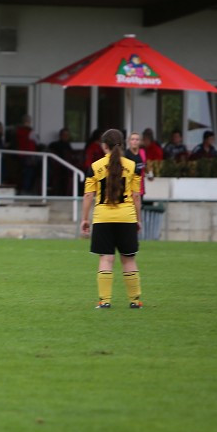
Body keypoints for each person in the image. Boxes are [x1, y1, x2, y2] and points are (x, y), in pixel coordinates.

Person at [80, 128, 143, 310]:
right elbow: (136, 196)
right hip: (126, 217)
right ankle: (135, 301)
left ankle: (104, 301)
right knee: (128, 259)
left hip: (103, 218)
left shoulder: (94, 167)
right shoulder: (132, 166)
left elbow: (88, 196)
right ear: (122, 144)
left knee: (106, 259)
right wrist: (138, 219)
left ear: (103, 146)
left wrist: (84, 219)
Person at [125, 130, 148, 199]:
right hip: (129, 189)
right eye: (132, 139)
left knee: (139, 208)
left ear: (140, 142)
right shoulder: (125, 154)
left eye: (137, 139)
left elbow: (145, 165)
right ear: (129, 141)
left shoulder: (142, 152)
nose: (135, 141)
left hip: (141, 187)